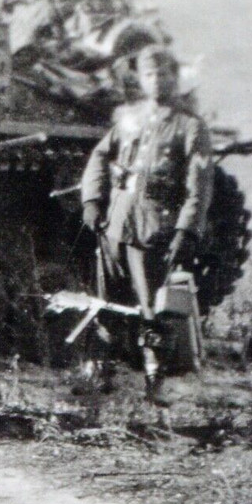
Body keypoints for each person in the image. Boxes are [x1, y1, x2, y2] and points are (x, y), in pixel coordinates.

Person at [80, 45, 213, 404]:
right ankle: (101, 373)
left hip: (155, 225)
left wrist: (186, 230)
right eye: (149, 74)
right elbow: (100, 156)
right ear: (140, 79)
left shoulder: (190, 126)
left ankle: (155, 379)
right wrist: (92, 200)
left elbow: (199, 186)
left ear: (175, 77)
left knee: (153, 306)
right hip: (117, 220)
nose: (156, 81)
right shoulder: (129, 118)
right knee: (107, 301)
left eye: (163, 74)